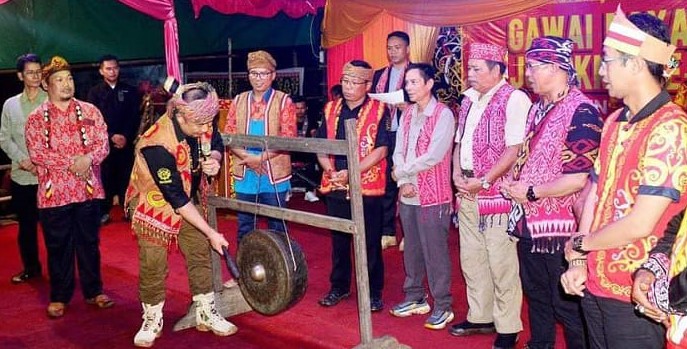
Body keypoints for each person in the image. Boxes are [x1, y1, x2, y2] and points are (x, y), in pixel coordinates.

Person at [560, 7, 687, 349]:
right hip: (595, 279)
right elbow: (596, 191)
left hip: (635, 289)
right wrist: (579, 259)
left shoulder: (670, 128)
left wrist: (582, 245)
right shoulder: (615, 120)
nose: (600, 70)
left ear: (635, 64)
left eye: (607, 60)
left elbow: (641, 223)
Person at [501, 36, 603, 349]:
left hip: (562, 229)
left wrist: (530, 191)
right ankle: (540, 344)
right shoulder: (536, 109)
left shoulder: (582, 111)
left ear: (557, 68)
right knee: (536, 295)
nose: (527, 74)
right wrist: (515, 185)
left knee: (568, 306)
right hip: (531, 223)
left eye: (533, 67)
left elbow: (577, 179)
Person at [126, 81, 235, 347]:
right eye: (199, 125)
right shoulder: (156, 143)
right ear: (179, 114)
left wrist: (216, 159)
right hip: (153, 201)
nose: (205, 130)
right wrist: (211, 232)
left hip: (189, 195)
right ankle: (152, 317)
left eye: (209, 123)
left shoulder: (202, 120)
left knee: (199, 252)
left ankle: (205, 310)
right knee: (154, 262)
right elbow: (174, 197)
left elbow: (216, 139)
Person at [449, 43, 530, 349]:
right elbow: (459, 143)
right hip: (467, 191)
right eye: (469, 68)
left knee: (501, 261)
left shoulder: (514, 99)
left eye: (476, 69)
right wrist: (456, 174)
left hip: (497, 195)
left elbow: (514, 149)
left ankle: (509, 326)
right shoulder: (469, 100)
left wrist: (484, 181)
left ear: (497, 70)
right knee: (472, 258)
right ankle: (480, 316)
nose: (469, 74)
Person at [25, 56, 114, 318]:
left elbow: (103, 144)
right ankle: (60, 296)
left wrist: (89, 159)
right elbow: (37, 153)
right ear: (46, 85)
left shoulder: (90, 111)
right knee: (58, 246)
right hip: (55, 195)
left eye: (69, 78)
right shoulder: (36, 118)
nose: (66, 84)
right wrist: (71, 162)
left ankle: (93, 290)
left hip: (87, 191)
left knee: (89, 242)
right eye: (59, 80)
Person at [317, 60, 390, 312]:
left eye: (354, 83)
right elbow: (320, 146)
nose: (348, 88)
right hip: (335, 182)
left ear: (368, 85)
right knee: (338, 239)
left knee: (369, 241)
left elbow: (381, 150)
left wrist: (352, 173)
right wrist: (331, 170)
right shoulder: (330, 109)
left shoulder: (380, 110)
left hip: (367, 187)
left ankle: (372, 292)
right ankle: (339, 286)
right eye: (345, 82)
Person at [388, 63, 456, 330]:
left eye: (414, 82)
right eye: (407, 83)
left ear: (429, 84)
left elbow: (434, 155)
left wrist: (402, 171)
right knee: (412, 251)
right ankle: (415, 297)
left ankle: (443, 305)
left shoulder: (443, 115)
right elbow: (398, 150)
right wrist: (404, 180)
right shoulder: (406, 115)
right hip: (408, 193)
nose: (409, 87)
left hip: (434, 195)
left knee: (435, 252)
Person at [224, 50, 296, 241]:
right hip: (245, 171)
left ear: (273, 75)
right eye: (254, 73)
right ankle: (246, 267)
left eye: (263, 73)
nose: (258, 78)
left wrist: (259, 159)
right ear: (248, 76)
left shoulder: (284, 101)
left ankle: (283, 269)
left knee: (277, 225)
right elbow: (229, 136)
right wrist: (249, 159)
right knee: (245, 224)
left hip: (273, 172)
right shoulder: (238, 100)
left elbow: (288, 137)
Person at [0, 53, 47, 284]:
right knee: (26, 228)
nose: (36, 76)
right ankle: (31, 268)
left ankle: (61, 272)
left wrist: (40, 161)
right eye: (30, 72)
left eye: (39, 72)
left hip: (49, 177)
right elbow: (4, 139)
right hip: (21, 176)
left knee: (53, 228)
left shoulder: (51, 101)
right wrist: (23, 160)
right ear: (20, 76)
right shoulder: (10, 104)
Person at [87, 54, 141, 224]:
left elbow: (134, 117)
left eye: (115, 68)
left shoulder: (130, 90)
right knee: (105, 178)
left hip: (126, 143)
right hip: (104, 144)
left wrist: (125, 136)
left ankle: (129, 210)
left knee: (127, 177)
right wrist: (110, 137)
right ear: (101, 71)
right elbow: (92, 119)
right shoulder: (94, 93)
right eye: (108, 69)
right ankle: (103, 212)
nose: (112, 72)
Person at [372, 31, 412, 250]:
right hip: (386, 134)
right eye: (389, 48)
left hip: (409, 135)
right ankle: (387, 231)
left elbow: (431, 101)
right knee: (386, 183)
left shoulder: (416, 73)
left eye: (397, 47)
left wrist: (409, 108)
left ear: (407, 49)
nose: (393, 52)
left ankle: (409, 233)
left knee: (407, 182)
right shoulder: (379, 75)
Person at [291, 95, 320, 202]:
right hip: (290, 151)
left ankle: (309, 191)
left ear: (306, 108)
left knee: (316, 157)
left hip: (306, 151)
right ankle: (286, 189)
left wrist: (314, 135)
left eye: (302, 108)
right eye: (297, 108)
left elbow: (314, 133)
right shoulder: (287, 120)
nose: (300, 111)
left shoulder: (311, 120)